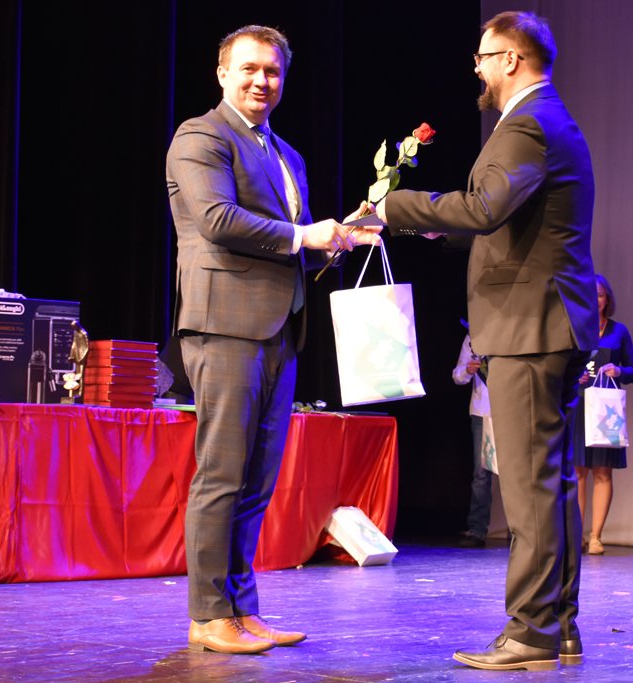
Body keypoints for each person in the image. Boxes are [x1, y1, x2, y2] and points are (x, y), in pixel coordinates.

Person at [376, 10, 597, 672]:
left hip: (531, 326)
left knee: (529, 488)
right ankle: (557, 626)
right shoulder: (548, 119)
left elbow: (484, 208)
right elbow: (507, 221)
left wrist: (393, 208)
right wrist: (444, 228)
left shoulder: (527, 123)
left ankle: (530, 630)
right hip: (545, 320)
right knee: (549, 483)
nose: (475, 67)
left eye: (482, 56)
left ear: (511, 60)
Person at [166, 25, 379, 654]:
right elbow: (217, 219)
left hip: (281, 327)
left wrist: (340, 239)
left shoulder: (288, 155)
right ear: (223, 73)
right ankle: (209, 616)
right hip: (225, 324)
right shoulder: (200, 136)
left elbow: (296, 247)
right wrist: (303, 236)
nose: (263, 81)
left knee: (257, 480)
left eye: (273, 72)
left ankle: (242, 609)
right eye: (250, 69)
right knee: (222, 475)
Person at [569, 274, 633, 556]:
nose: (595, 299)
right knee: (578, 471)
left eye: (599, 294)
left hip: (606, 409)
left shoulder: (619, 331)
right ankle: (577, 534)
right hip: (580, 405)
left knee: (602, 471)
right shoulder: (575, 328)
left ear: (607, 299)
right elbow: (563, 366)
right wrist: (576, 376)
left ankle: (596, 536)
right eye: (590, 294)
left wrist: (618, 370)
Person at [452, 333, 493, 548]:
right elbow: (457, 376)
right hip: (481, 412)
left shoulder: (511, 331)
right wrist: (467, 370)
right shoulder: (473, 337)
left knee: (515, 474)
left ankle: (521, 531)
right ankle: (477, 530)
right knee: (481, 474)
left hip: (511, 411)